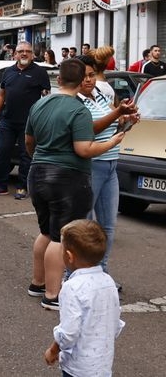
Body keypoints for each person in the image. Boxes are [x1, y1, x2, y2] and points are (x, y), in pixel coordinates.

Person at [25, 59, 125, 309]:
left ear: (58, 80)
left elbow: (29, 141)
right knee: (61, 237)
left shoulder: (39, 104)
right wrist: (114, 141)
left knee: (46, 232)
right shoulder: (78, 110)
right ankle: (52, 295)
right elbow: (84, 149)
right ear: (81, 82)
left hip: (37, 173)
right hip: (67, 178)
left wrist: (41, 157)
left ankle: (37, 284)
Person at [76, 54, 138, 278]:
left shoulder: (99, 95)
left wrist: (128, 119)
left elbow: (117, 126)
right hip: (92, 165)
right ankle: (76, 273)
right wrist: (117, 113)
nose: (89, 80)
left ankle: (101, 272)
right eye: (83, 77)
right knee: (84, 225)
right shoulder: (74, 101)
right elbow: (89, 129)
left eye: (92, 75)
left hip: (111, 165)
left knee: (108, 227)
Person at [44, 220, 124, 375]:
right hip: (102, 365)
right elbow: (114, 321)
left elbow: (69, 333)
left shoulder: (72, 287)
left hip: (78, 368)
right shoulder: (108, 281)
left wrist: (53, 350)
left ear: (69, 256)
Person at [0, 41, 50, 199]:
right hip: (7, 120)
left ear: (32, 54)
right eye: (21, 51)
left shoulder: (39, 72)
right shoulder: (9, 71)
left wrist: (44, 117)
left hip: (29, 122)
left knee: (26, 154)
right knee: (2, 152)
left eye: (28, 51)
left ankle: (23, 187)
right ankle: (1, 185)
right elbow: (1, 95)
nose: (24, 54)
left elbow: (46, 96)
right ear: (14, 54)